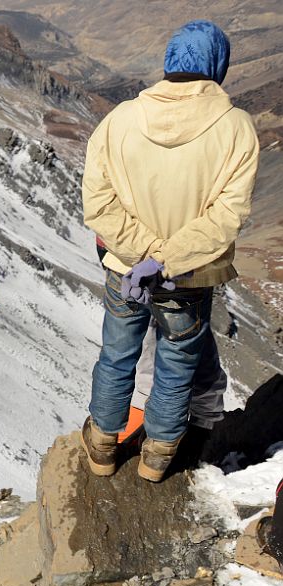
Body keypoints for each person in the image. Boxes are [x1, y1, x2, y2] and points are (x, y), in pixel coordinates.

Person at [80, 19, 259, 482]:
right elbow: (225, 217)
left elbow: (98, 203)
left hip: (124, 269)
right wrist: (166, 259)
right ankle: (157, 459)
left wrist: (143, 256)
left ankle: (102, 448)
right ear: (217, 65)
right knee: (177, 362)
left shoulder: (118, 120)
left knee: (117, 354)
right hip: (189, 278)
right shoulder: (237, 129)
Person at [94, 236, 228, 440]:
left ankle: (109, 439)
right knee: (183, 344)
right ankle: (167, 441)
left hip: (128, 253)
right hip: (181, 256)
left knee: (127, 353)